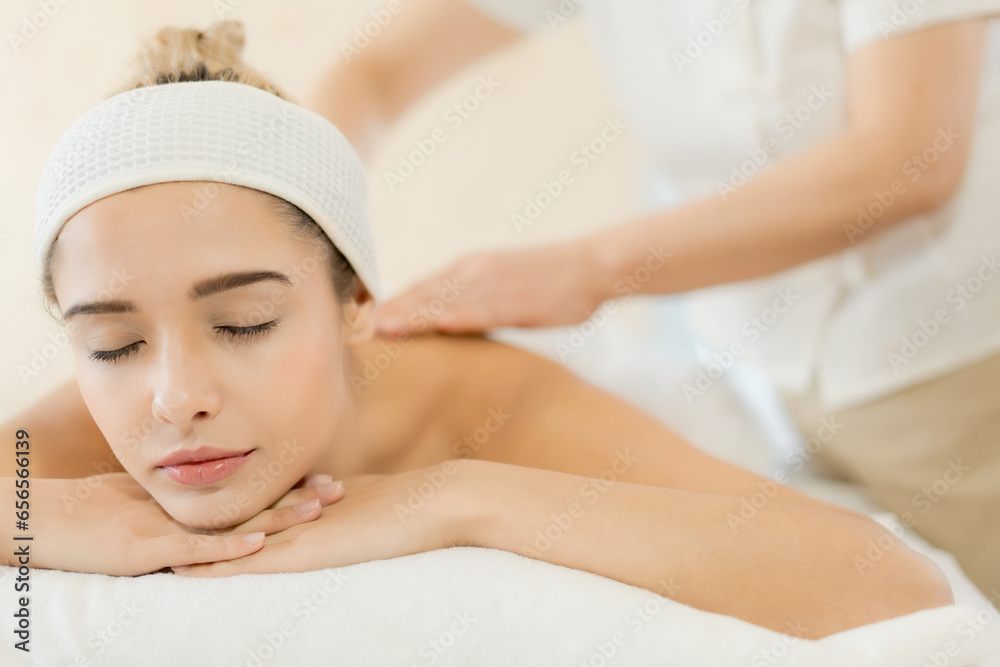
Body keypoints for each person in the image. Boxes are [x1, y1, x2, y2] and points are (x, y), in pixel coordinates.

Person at [0, 21, 954, 640]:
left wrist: (457, 498)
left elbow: (890, 584)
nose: (174, 395)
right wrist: (50, 514)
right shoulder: (124, 418)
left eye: (243, 320)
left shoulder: (483, 399)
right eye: (112, 343)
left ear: (355, 304)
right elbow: (373, 68)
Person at [307, 0, 1000, 595]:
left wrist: (588, 269)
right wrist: (304, 220)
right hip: (776, 371)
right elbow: (371, 74)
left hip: (955, 359)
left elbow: (908, 158)